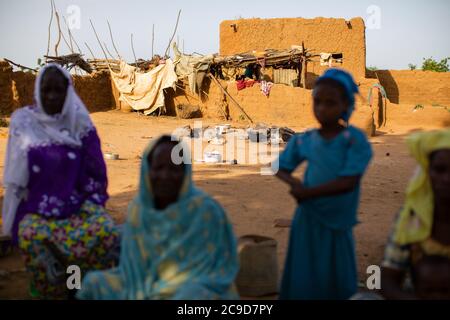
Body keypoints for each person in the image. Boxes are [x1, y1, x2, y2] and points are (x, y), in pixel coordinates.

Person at [1, 64, 119, 299]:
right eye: (46, 90)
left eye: (58, 90)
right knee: (30, 234)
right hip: (38, 209)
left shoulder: (80, 125)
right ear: (37, 91)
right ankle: (51, 289)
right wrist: (11, 221)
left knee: (105, 232)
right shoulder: (24, 123)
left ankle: (87, 287)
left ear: (68, 92)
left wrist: (92, 203)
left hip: (78, 206)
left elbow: (96, 174)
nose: (52, 96)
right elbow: (16, 182)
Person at [77, 135, 239, 300]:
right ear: (147, 170)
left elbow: (219, 270)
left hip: (193, 287)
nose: (165, 175)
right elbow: (132, 268)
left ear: (185, 172)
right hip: (142, 284)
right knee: (94, 283)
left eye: (174, 169)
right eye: (159, 168)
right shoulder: (139, 210)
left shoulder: (206, 211)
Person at [275, 68, 373, 299]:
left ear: (346, 104)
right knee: (304, 270)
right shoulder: (305, 140)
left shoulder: (354, 141)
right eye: (317, 101)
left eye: (330, 103)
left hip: (337, 220)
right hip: (307, 219)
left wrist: (307, 192)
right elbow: (280, 167)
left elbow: (348, 182)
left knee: (336, 273)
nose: (321, 108)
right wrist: (294, 183)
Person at [381, 130, 450, 300]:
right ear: (427, 173)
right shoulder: (411, 218)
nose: (447, 179)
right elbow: (387, 280)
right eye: (440, 170)